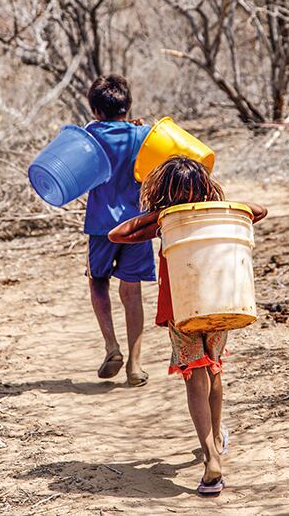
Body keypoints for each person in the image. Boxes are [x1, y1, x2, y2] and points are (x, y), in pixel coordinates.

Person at [108, 155, 268, 496]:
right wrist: (219, 203)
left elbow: (117, 234)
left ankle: (211, 455)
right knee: (214, 370)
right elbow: (259, 211)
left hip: (182, 308)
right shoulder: (219, 214)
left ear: (164, 191)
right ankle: (217, 433)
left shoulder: (168, 222)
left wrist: (161, 214)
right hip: (221, 303)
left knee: (195, 374)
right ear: (205, 186)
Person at [83, 74, 155, 387]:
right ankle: (135, 365)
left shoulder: (89, 135)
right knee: (132, 289)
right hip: (137, 224)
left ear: (96, 110)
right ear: (127, 106)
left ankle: (112, 346)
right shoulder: (143, 135)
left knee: (98, 281)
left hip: (101, 225)